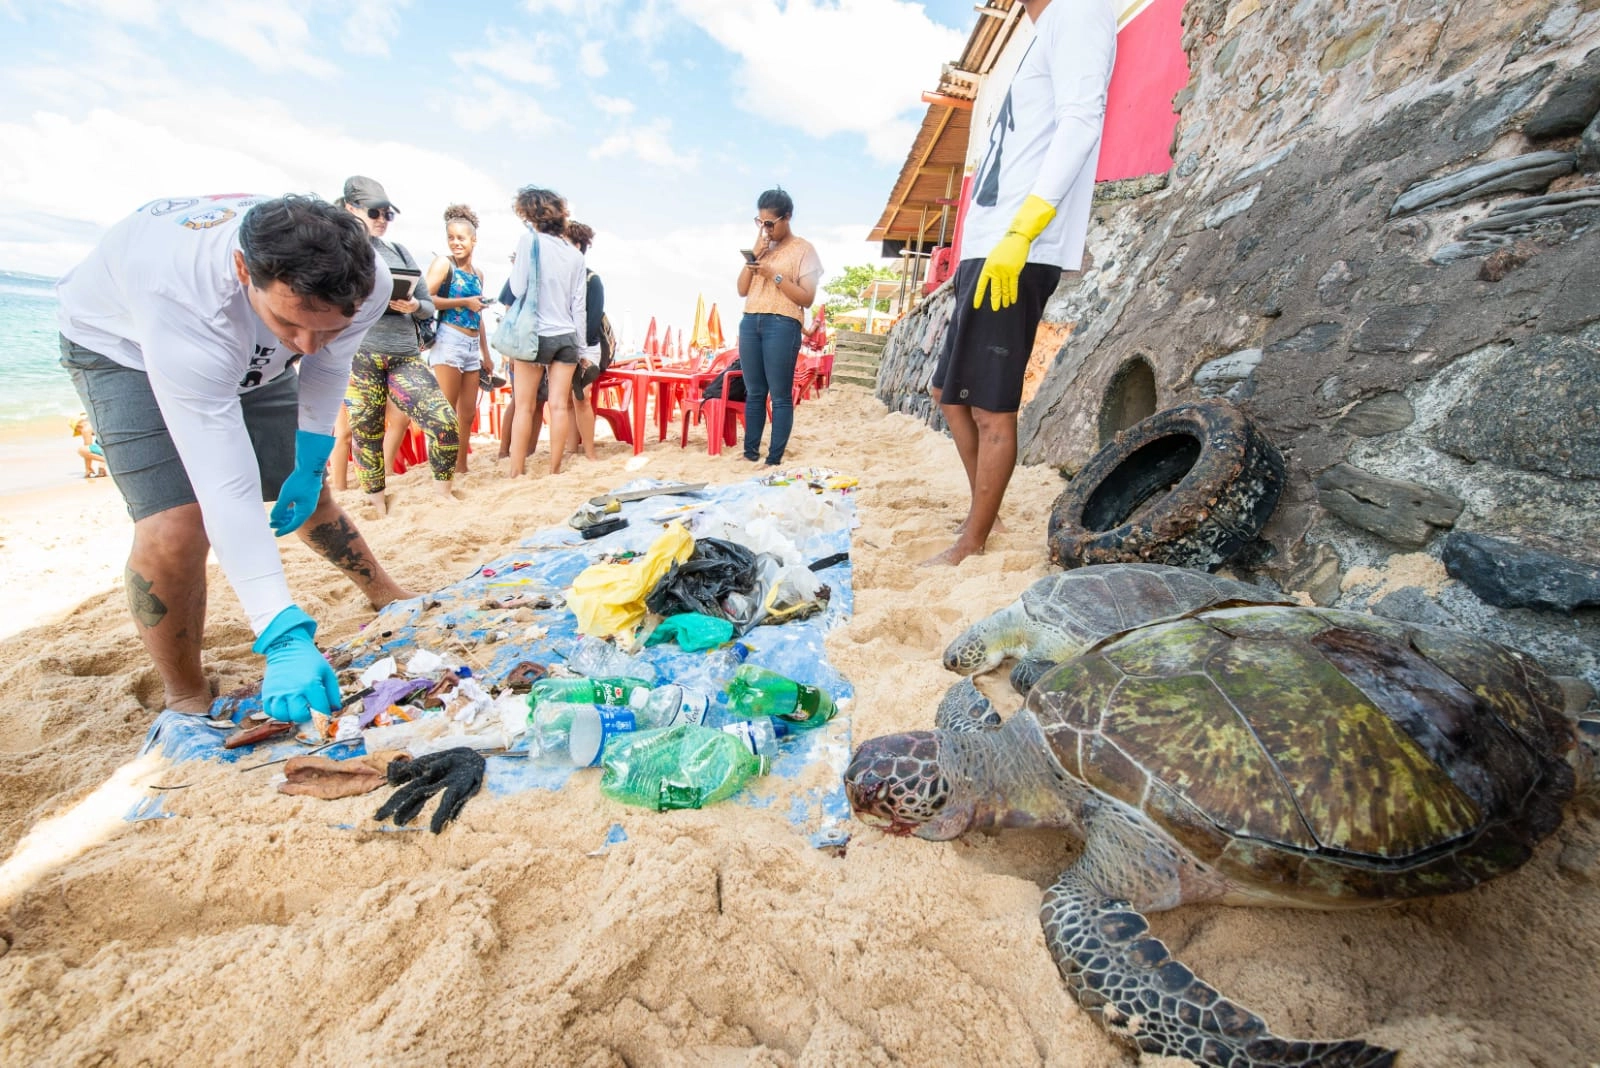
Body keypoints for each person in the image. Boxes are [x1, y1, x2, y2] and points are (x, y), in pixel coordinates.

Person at [56, 193, 415, 722]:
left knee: (309, 491)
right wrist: (281, 632)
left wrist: (312, 457)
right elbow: (226, 486)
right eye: (292, 323)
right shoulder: (179, 293)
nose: (308, 345)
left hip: (249, 348)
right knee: (178, 523)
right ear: (244, 268)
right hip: (122, 347)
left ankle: (385, 591)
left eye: (329, 328)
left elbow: (325, 365)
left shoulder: (370, 281)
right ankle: (185, 691)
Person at [925, 0, 1115, 566]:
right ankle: (988, 512)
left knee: (990, 405)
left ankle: (973, 540)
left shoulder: (1080, 12)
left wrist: (1025, 229)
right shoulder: (1035, 37)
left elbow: (1084, 117)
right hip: (984, 247)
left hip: (1016, 247)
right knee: (948, 394)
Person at [336, 176, 460, 512]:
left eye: (388, 214)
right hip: (361, 351)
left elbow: (429, 303)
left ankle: (443, 495)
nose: (381, 220)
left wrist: (414, 306)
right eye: (374, 212)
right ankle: (376, 504)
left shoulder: (400, 251)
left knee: (443, 421)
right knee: (367, 430)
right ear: (351, 209)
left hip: (404, 353)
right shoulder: (342, 248)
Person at [501, 186, 586, 478]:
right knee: (559, 406)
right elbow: (579, 307)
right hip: (567, 336)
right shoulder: (575, 255)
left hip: (535, 333)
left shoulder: (530, 241)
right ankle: (554, 469)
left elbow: (517, 288)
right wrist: (583, 348)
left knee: (524, 406)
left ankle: (516, 471)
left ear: (530, 214)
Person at [733, 187, 822, 466]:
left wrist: (776, 276)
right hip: (750, 320)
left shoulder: (804, 249)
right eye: (760, 222)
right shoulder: (762, 247)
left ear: (788, 217)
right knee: (755, 392)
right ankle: (749, 454)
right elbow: (741, 290)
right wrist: (754, 259)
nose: (765, 229)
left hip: (783, 323)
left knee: (780, 394)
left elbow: (807, 299)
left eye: (770, 223)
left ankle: (774, 459)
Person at [424, 203, 495, 477]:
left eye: (461, 238)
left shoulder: (478, 274)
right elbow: (426, 299)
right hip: (448, 339)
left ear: (473, 240)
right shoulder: (443, 264)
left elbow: (479, 315)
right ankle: (441, 468)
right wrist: (463, 301)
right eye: (451, 238)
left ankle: (461, 465)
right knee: (445, 412)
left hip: (471, 343)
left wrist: (486, 354)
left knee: (467, 413)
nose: (455, 243)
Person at [533, 220, 609, 461]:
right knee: (565, 399)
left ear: (577, 246)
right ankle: (571, 449)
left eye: (565, 243)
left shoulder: (591, 279)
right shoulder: (557, 278)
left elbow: (592, 318)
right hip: (563, 342)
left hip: (586, 345)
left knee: (581, 397)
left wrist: (580, 353)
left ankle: (590, 452)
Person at [71, 413, 107, 478]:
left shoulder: (86, 429)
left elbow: (87, 450)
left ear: (78, 426)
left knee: (82, 450)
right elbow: (105, 449)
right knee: (98, 443)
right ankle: (109, 463)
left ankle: (112, 462)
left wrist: (88, 468)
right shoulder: (98, 423)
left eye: (78, 431)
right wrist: (101, 467)